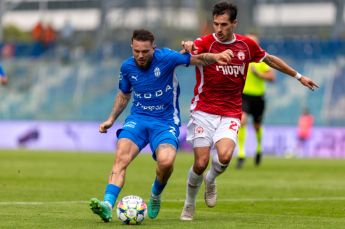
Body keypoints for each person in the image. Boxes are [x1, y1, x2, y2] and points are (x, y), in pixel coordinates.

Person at [179, 1, 319, 221]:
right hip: (203, 111)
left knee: (224, 156)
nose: (219, 29)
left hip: (231, 111)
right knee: (200, 162)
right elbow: (185, 55)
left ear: (235, 23)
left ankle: (212, 179)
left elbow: (270, 60)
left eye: (224, 24)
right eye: (215, 24)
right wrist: (187, 47)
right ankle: (188, 204)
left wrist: (299, 77)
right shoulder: (205, 42)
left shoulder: (246, 46)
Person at [89, 29, 233, 222]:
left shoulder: (167, 57)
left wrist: (216, 56)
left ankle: (155, 194)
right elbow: (124, 94)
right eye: (137, 51)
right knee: (120, 158)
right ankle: (107, 205)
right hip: (138, 119)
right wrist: (111, 119)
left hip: (165, 122)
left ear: (153, 48)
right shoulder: (127, 67)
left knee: (166, 162)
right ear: (132, 47)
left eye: (145, 51)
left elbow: (197, 59)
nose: (140, 55)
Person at [236, 33, 276, 169]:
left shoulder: (261, 59)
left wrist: (258, 74)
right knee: (242, 121)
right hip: (244, 96)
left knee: (257, 126)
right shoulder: (240, 57)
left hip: (258, 98)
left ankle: (259, 148)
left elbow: (272, 77)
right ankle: (241, 154)